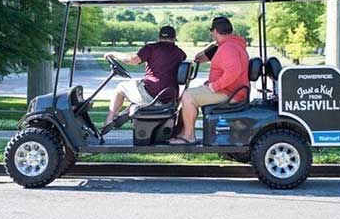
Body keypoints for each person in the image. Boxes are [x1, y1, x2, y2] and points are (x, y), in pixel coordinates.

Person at [169, 16, 249, 144]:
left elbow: (234, 71)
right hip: (231, 90)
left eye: (211, 30)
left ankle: (188, 136)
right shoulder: (231, 44)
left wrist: (214, 86)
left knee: (188, 96)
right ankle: (183, 133)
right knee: (192, 93)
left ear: (216, 31)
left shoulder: (229, 48)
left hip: (230, 93)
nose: (211, 33)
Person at [103, 26, 187, 126]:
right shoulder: (180, 53)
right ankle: (125, 113)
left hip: (152, 95)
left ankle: (109, 119)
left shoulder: (151, 48)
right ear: (174, 39)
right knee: (138, 85)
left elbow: (132, 60)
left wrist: (113, 54)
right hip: (170, 97)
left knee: (120, 87)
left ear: (158, 37)